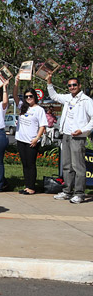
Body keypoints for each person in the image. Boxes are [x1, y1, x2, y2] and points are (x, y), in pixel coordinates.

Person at [46, 72, 93, 204]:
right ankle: (67, 191)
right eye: (69, 85)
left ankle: (79, 193)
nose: (72, 87)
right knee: (66, 165)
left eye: (74, 85)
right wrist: (49, 81)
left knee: (78, 166)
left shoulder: (87, 101)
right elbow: (54, 96)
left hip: (78, 136)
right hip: (66, 135)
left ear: (79, 85)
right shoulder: (68, 98)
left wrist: (82, 130)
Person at [11, 77, 48, 195]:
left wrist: (37, 138)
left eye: (30, 96)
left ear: (34, 97)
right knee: (25, 164)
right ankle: (27, 186)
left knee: (31, 164)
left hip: (32, 140)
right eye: (26, 96)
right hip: (21, 139)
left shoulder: (39, 110)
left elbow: (42, 125)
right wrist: (16, 82)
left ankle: (32, 187)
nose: (28, 98)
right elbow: (15, 95)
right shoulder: (22, 106)